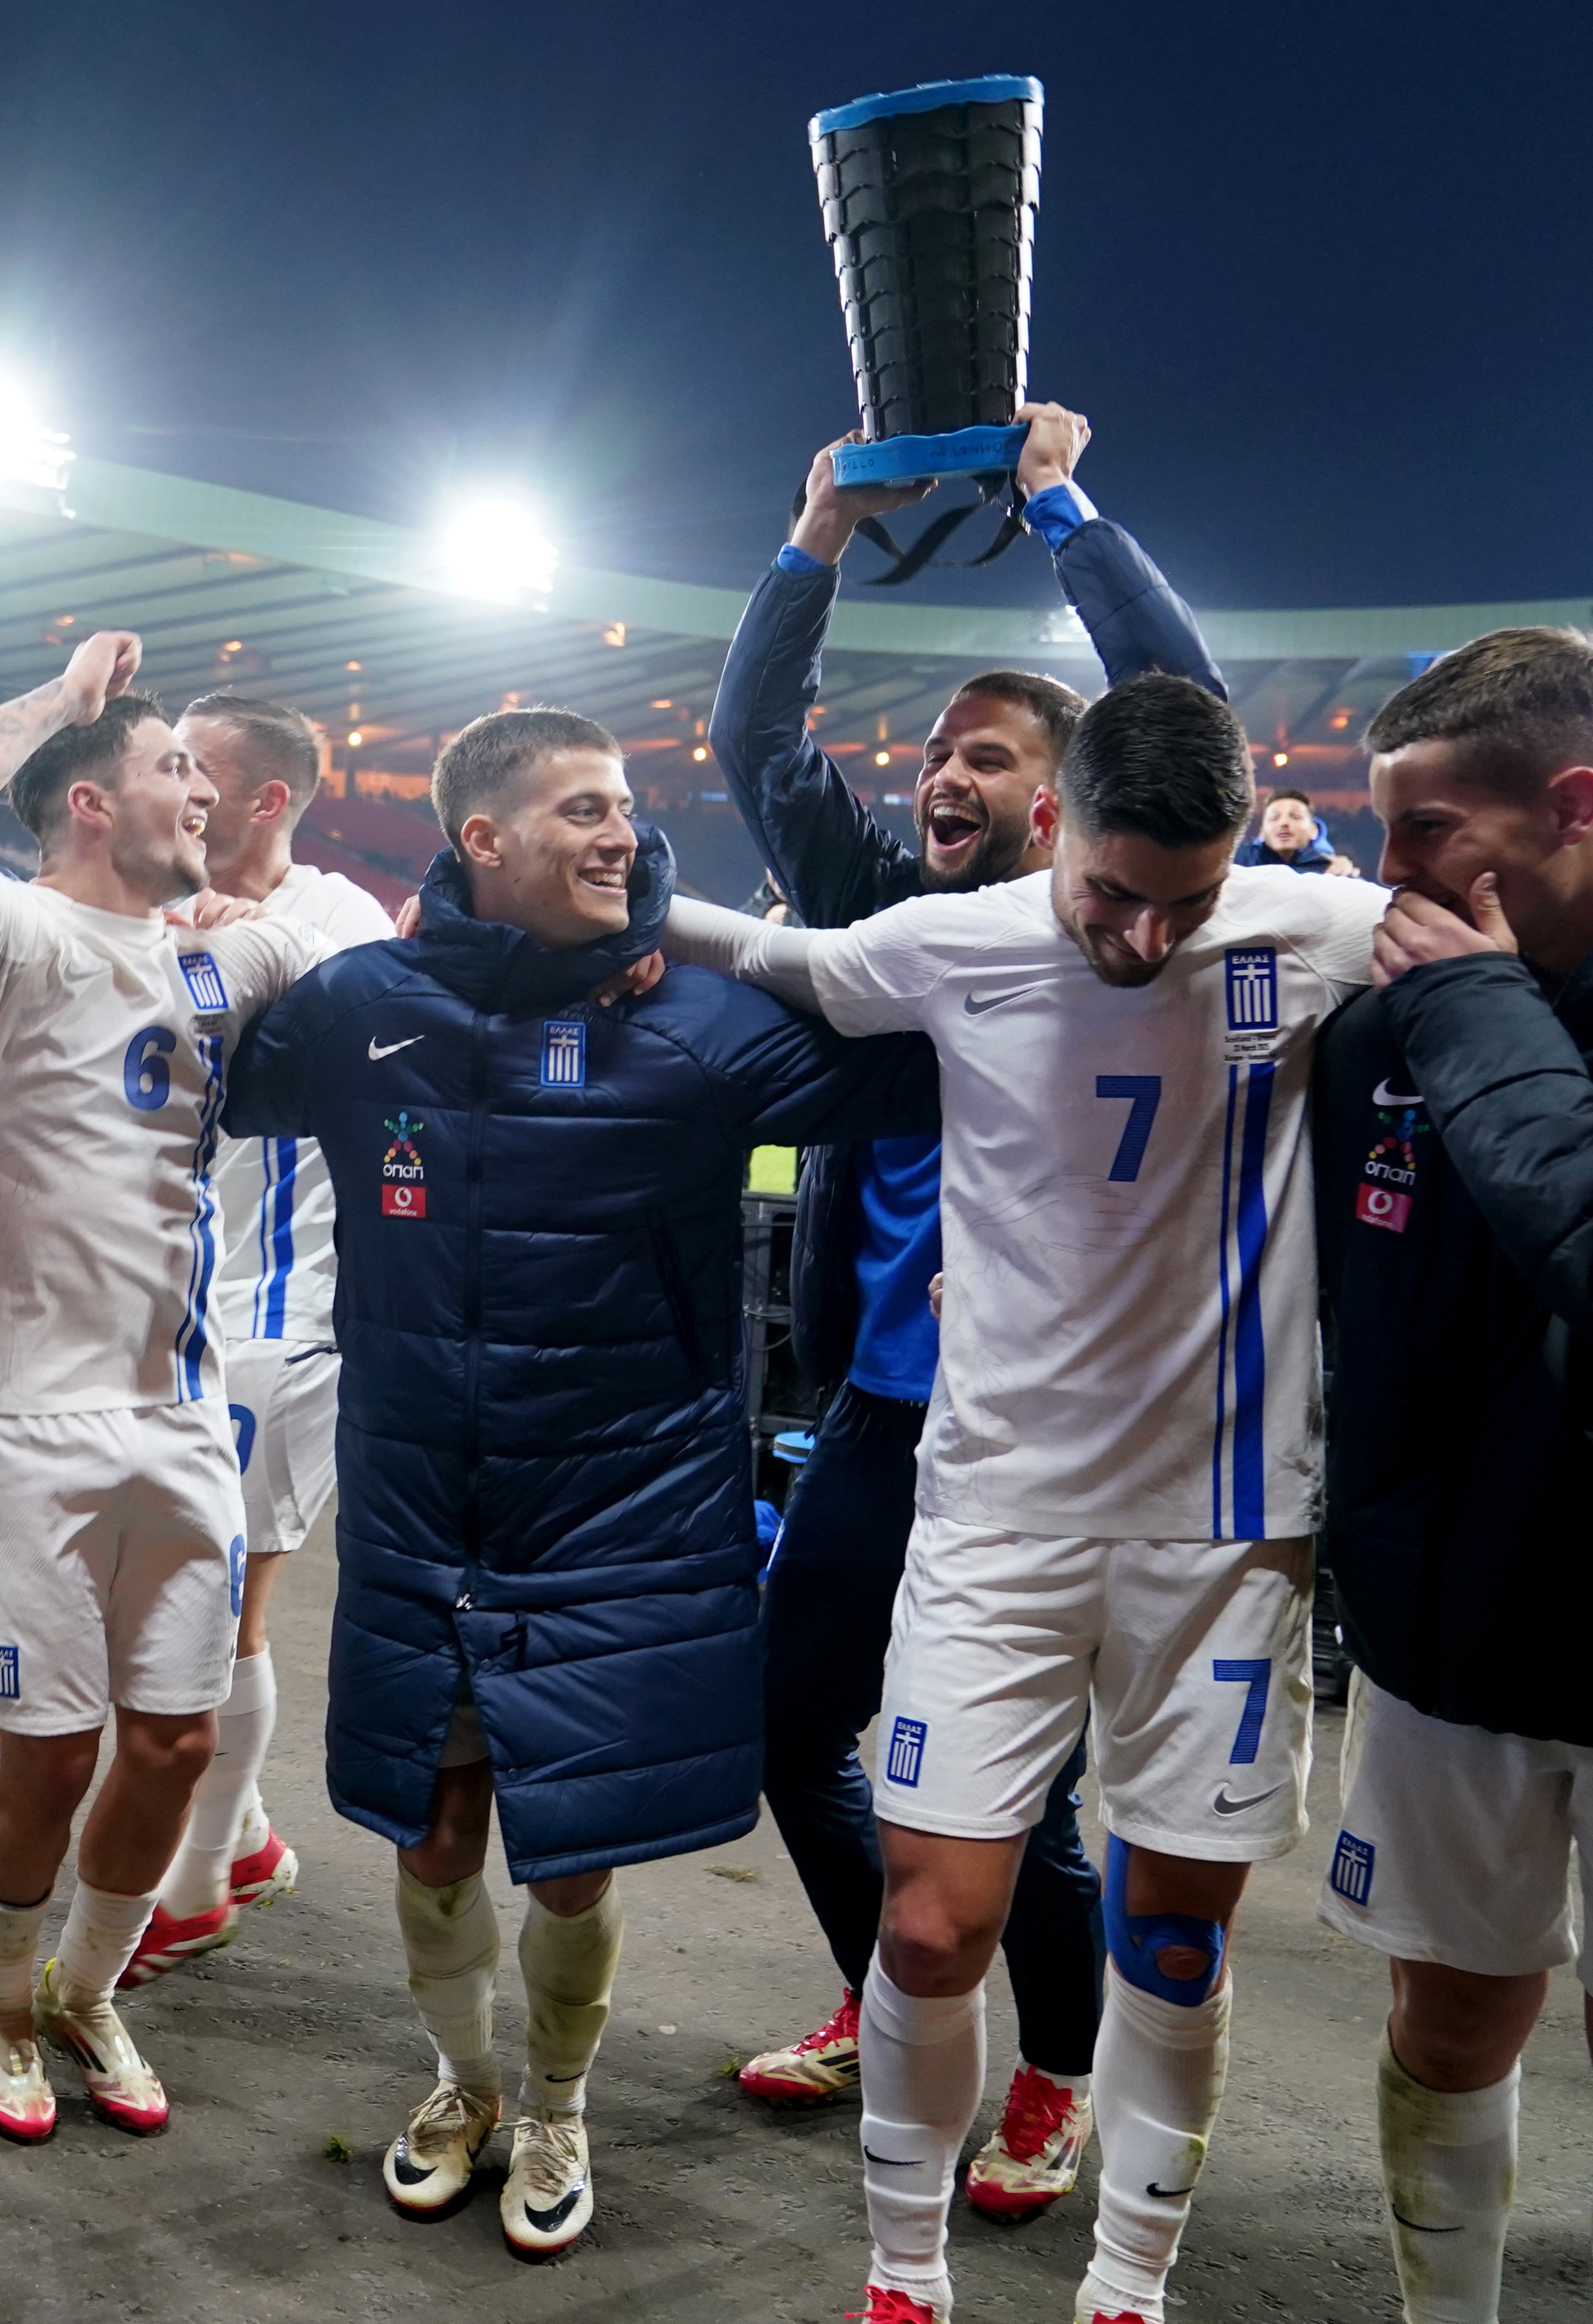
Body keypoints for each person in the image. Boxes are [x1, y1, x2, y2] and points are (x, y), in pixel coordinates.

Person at [660, 674, 1387, 2324]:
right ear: (1052, 824)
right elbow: (798, 962)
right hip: (990, 1515)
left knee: (1174, 1938)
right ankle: (900, 2270)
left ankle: (1127, 2279)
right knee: (928, 1925)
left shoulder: (1321, 926)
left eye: (1181, 902)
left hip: (1221, 1529)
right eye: (1111, 894)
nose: (1142, 937)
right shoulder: (959, 934)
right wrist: (653, 901)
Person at [227, 707, 934, 2254]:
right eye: (579, 809)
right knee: (431, 1826)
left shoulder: (687, 1012)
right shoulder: (359, 1005)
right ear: (481, 840)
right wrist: (239, 930)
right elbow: (180, 1065)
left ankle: (554, 2093)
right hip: (420, 1492)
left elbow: (919, 1062)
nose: (619, 832)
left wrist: (753, 946)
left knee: (570, 1838)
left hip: (614, 1496)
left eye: (623, 807)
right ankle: (459, 2077)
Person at [714, 405, 1198, 2220]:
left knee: (1025, 1809)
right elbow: (754, 741)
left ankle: (1054, 2071)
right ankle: (884, 1987)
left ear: (1065, 802)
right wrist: (815, 527)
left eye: (986, 757)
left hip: (1057, 1447)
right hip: (885, 1413)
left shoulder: (1117, 934)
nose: (942, 775)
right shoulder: (885, 918)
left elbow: (1177, 696)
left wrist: (1063, 503)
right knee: (784, 1725)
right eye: (932, 750)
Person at [0, 632, 325, 2144]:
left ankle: (83, 1985)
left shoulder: (225, 951)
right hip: (9, 1420)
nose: (199, 788)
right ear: (83, 802)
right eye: (166, 766)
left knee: (178, 1742)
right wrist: (61, 703)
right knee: (53, 1751)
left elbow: (378, 958)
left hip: (177, 1411)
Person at [1309, 627, 1593, 2324]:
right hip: (1449, 1625)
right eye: (1379, 828)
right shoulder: (1370, 1035)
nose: (1383, 874)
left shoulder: (1451, 1003)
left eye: (1425, 834)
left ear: (1570, 802)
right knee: (1445, 2015)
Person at [109, 693, 393, 1987]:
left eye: (197, 767)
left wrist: (253, 932)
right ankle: (253, 1839)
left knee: (220, 1612)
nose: (173, 781)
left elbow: (343, 1015)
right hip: (166, 1313)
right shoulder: (146, 905)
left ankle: (200, 1881)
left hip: (283, 1321)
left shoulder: (336, 917)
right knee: (154, 1603)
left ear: (267, 799)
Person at [1239, 785, 1359, 875]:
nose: (1284, 823)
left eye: (1295, 817)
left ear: (1314, 831)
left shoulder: (1328, 869)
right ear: (1262, 833)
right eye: (1274, 818)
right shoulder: (1238, 863)